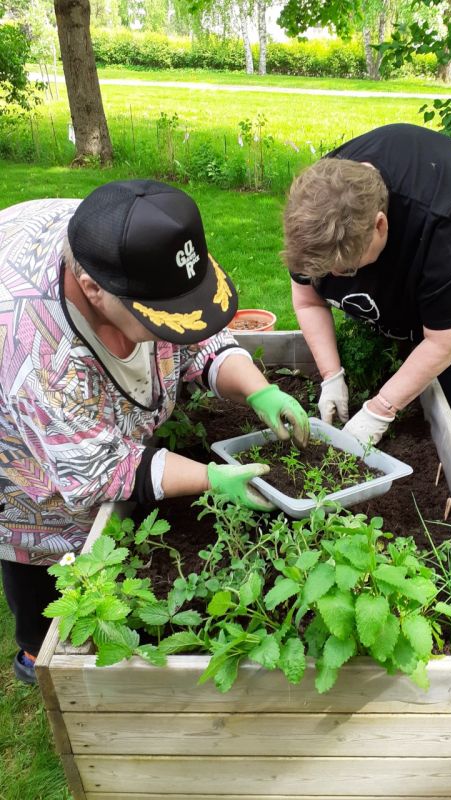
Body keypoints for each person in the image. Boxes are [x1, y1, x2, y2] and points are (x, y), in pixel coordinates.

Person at [0, 179, 309, 684]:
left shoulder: (134, 245)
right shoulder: (35, 351)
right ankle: (38, 651)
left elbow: (201, 338)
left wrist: (258, 390)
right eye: (160, 317)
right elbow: (100, 469)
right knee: (39, 519)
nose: (177, 326)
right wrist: (213, 479)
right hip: (13, 407)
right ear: (94, 291)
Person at [283, 123, 451, 453]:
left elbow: (449, 338)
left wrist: (379, 410)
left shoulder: (447, 221)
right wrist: (331, 375)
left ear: (380, 225)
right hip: (408, 264)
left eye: (349, 269)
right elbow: (308, 300)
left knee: (449, 416)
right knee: (406, 369)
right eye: (328, 273)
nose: (338, 279)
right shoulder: (314, 209)